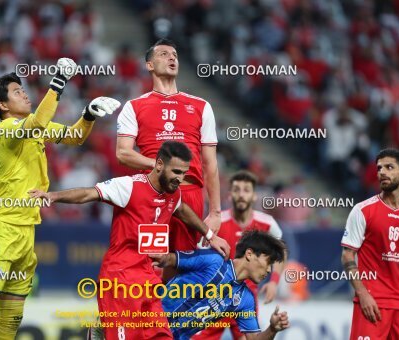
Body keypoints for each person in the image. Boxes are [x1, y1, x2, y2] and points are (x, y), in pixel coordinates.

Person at [0, 58, 121, 339]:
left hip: (25, 234)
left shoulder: (33, 128)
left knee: (12, 320)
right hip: (0, 231)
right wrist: (58, 82)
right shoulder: (5, 130)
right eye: (16, 91)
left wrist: (88, 115)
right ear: (3, 106)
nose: (24, 93)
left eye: (23, 90)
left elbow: (73, 137)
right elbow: (36, 123)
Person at [29, 141, 230, 340]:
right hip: (120, 279)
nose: (180, 178)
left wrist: (210, 236)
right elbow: (88, 193)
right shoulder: (129, 186)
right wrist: (53, 196)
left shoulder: (172, 193)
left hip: (149, 280)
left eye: (184, 173)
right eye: (176, 171)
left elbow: (182, 209)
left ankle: (101, 333)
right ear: (159, 164)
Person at [116, 39, 221, 272]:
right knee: (151, 265)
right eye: (164, 54)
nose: (172, 58)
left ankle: (176, 309)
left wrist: (215, 211)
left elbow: (210, 163)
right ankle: (147, 308)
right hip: (153, 195)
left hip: (190, 193)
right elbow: (123, 153)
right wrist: (162, 166)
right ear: (149, 65)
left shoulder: (201, 106)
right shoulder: (134, 106)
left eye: (174, 54)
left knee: (184, 266)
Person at [150, 230, 289, 340]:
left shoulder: (245, 300)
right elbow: (170, 259)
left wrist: (272, 328)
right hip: (147, 322)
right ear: (249, 254)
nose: (269, 270)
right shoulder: (214, 261)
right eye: (268, 262)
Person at [195, 170, 285, 339]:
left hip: (245, 299)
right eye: (237, 190)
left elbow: (282, 252)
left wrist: (274, 282)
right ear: (230, 195)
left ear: (254, 196)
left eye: (246, 190)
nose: (241, 195)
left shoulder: (267, 223)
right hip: (215, 297)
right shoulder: (217, 222)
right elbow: (199, 255)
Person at [341, 148, 399, 339]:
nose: (382, 172)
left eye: (389, 167)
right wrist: (362, 294)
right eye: (379, 168)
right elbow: (347, 255)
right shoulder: (362, 210)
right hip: (373, 303)